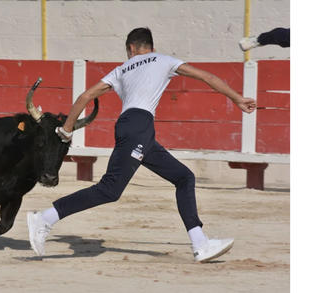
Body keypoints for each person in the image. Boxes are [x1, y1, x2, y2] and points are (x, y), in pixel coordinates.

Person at [26, 27, 256, 262]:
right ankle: (45, 218)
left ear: (131, 49)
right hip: (140, 126)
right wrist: (237, 98)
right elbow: (208, 77)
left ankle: (200, 243)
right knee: (110, 189)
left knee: (184, 177)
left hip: (134, 128)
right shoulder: (164, 59)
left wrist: (66, 130)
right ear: (151, 48)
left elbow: (85, 96)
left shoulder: (121, 69)